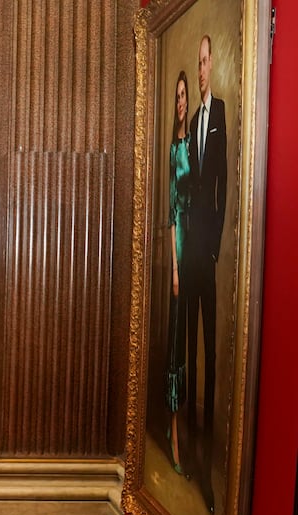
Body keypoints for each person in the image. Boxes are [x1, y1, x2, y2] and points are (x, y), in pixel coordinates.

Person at [186, 34, 227, 515]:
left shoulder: (218, 116)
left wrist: (214, 250)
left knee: (211, 355)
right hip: (188, 254)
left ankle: (210, 463)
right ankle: (192, 455)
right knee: (190, 351)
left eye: (204, 62)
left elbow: (224, 184)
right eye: (195, 63)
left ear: (213, 64)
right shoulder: (193, 119)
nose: (200, 70)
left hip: (208, 253)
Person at [164, 71, 190, 477]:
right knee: (174, 342)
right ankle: (172, 432)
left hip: (199, 241)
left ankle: (184, 426)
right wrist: (173, 266)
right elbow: (171, 215)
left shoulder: (197, 145)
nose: (182, 101)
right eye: (179, 95)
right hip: (180, 244)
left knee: (189, 344)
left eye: (186, 95)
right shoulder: (174, 150)